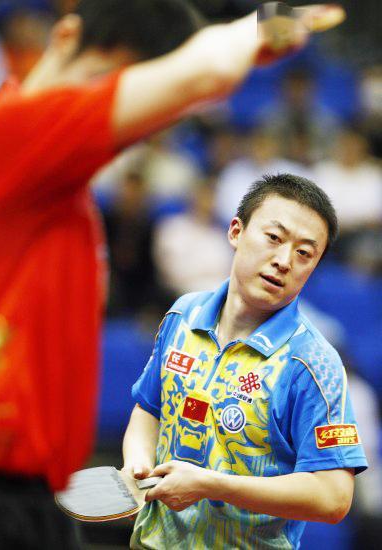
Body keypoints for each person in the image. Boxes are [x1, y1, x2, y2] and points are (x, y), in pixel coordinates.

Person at [0, 0, 345, 547]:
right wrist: (270, 20)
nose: (127, 110)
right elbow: (207, 71)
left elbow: (333, 496)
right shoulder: (9, 135)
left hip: (26, 497)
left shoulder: (52, 182)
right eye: (115, 83)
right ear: (66, 37)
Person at [123, 174, 368, 550]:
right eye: (274, 238)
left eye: (304, 253)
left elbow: (333, 497)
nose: (284, 261)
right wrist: (137, 466)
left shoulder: (313, 363)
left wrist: (211, 485)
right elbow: (149, 408)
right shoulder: (183, 315)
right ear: (236, 231)